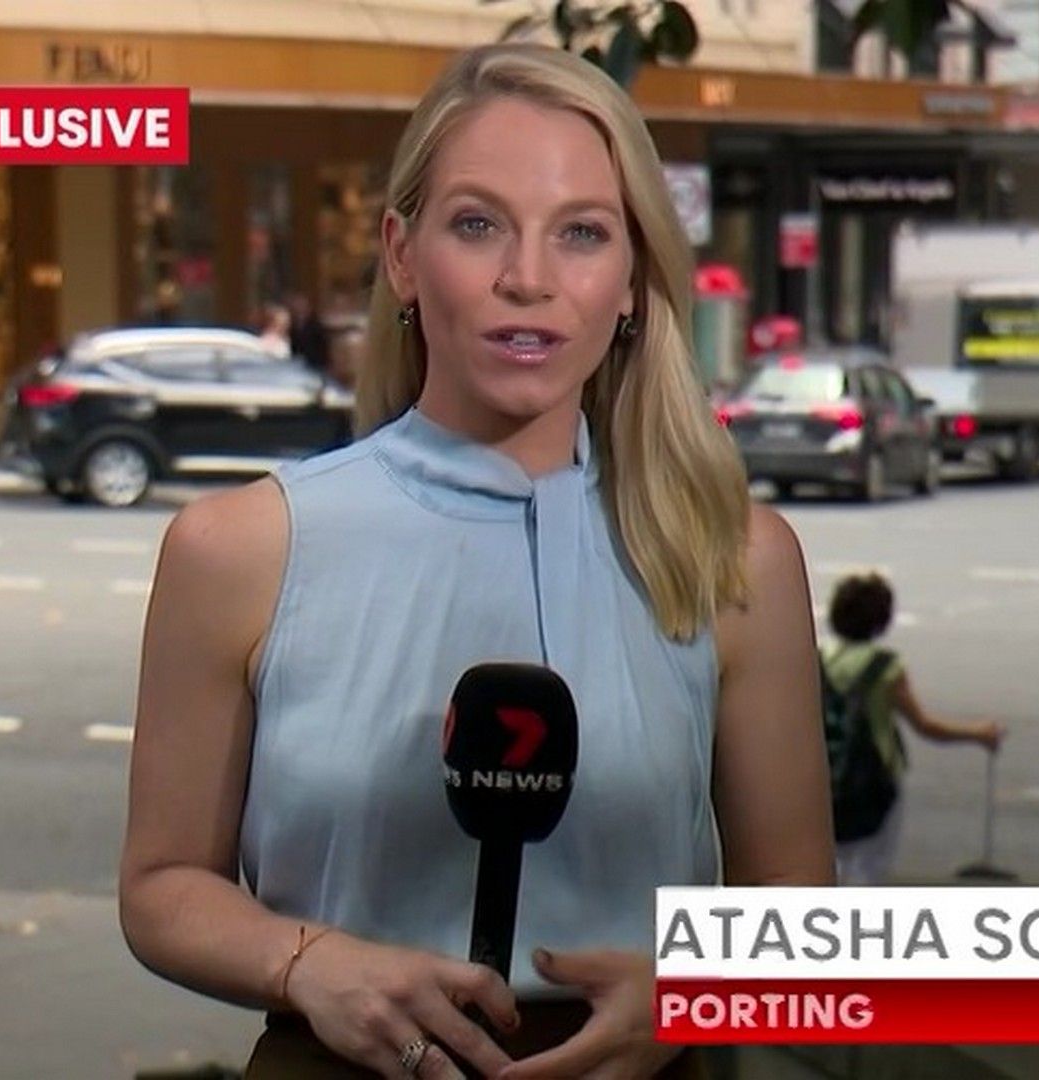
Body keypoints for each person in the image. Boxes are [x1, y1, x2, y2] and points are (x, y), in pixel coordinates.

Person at [119, 43, 831, 1080]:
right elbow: (161, 885)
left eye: (581, 232)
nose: (527, 279)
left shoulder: (738, 562)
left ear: (634, 281)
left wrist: (688, 993)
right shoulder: (239, 550)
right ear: (402, 256)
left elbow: (799, 909)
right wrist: (309, 965)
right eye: (477, 224)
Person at [822, 573, 1001, 887]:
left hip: (821, 774)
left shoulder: (816, 658)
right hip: (876, 778)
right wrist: (979, 734)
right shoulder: (885, 667)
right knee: (869, 866)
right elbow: (926, 726)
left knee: (829, 861)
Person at [289, 293, 335, 377]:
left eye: (301, 306)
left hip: (316, 365)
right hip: (298, 365)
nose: (299, 309)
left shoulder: (316, 326)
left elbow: (323, 348)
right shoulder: (293, 326)